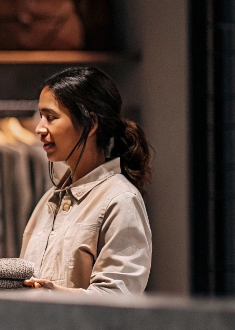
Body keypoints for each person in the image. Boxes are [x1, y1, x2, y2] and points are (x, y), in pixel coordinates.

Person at [20, 66, 152, 294]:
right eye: (41, 117)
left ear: (90, 123)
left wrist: (53, 294)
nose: (39, 128)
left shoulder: (120, 200)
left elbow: (118, 299)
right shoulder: (48, 202)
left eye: (50, 117)